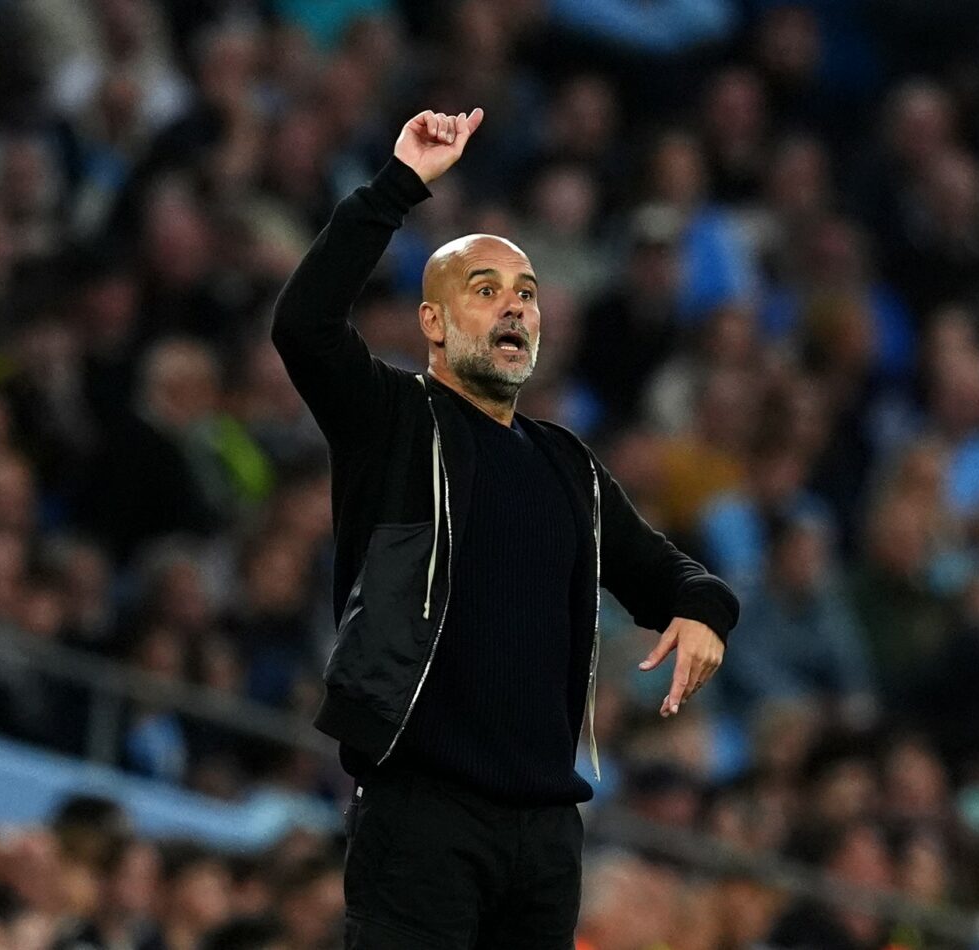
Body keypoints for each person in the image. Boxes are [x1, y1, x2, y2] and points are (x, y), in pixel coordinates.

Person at [271, 108, 739, 948]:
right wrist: (397, 186)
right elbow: (303, 325)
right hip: (422, 812)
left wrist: (706, 612)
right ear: (433, 323)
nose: (515, 308)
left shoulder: (568, 465)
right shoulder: (395, 420)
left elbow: (668, 575)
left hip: (546, 833)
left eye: (526, 293)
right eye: (485, 291)